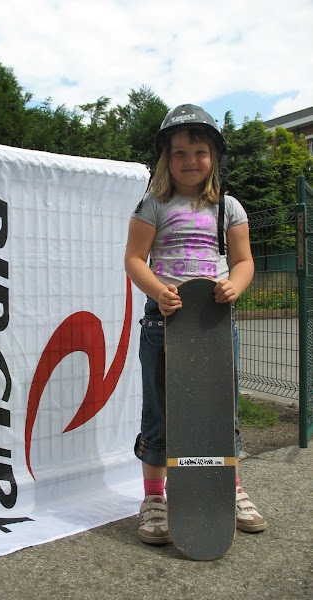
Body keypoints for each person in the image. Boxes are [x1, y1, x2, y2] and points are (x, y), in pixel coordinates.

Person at [124, 103, 267, 545]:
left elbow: (243, 262)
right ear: (166, 157)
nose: (190, 161)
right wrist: (158, 291)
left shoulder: (229, 208)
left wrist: (236, 287)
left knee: (219, 410)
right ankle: (155, 499)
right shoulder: (154, 204)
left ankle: (231, 489)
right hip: (164, 322)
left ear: (214, 157)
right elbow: (134, 260)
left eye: (199, 152)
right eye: (180, 152)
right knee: (162, 414)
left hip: (213, 324)